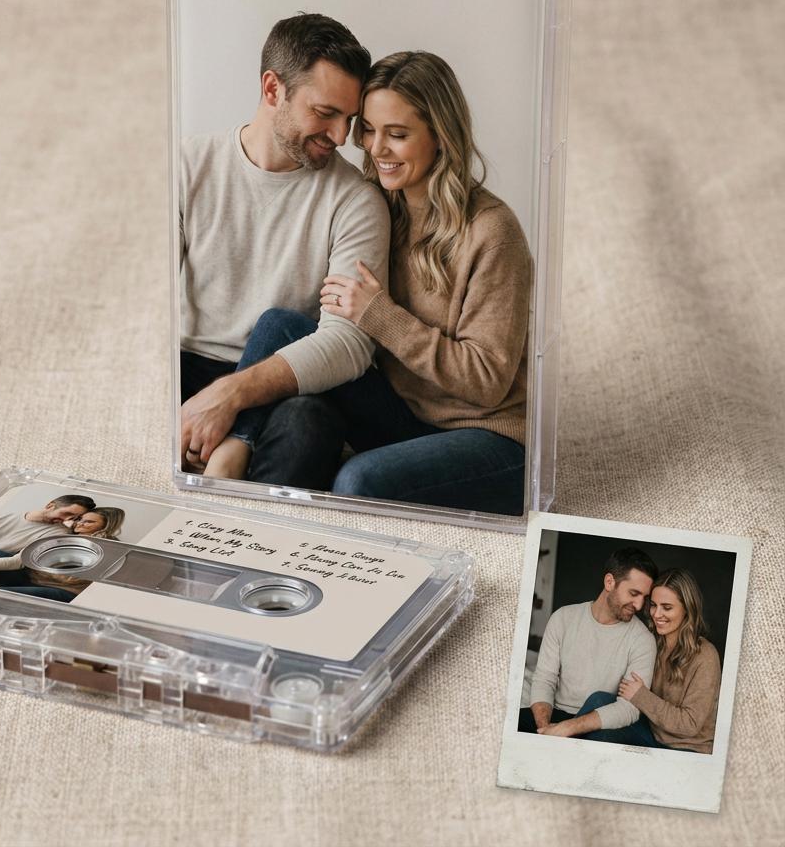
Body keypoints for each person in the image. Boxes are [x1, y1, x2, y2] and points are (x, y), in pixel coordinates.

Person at [203, 50, 531, 512]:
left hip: (487, 437)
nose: (376, 149)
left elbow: (487, 382)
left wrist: (381, 316)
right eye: (369, 130)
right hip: (404, 417)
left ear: (441, 136)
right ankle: (230, 455)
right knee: (281, 323)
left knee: (357, 479)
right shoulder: (378, 206)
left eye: (397, 134)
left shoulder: (493, 232)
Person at [178, 13, 390, 488]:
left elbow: (350, 343)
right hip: (186, 361)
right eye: (325, 113)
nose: (340, 137)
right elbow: (142, 306)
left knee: (309, 425)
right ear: (273, 89)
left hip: (284, 378)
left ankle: (234, 520)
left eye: (349, 119)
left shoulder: (356, 200)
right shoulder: (188, 165)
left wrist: (232, 396)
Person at [518, 547, 658, 738]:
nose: (640, 605)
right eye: (634, 593)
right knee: (513, 723)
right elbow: (544, 679)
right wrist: (546, 729)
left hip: (600, 722)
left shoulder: (643, 640)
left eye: (644, 597)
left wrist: (569, 728)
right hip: (556, 715)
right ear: (609, 582)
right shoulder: (562, 618)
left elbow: (629, 708)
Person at [611, 569, 722, 753]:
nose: (656, 614)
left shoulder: (706, 655)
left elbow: (690, 724)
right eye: (654, 605)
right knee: (600, 700)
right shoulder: (654, 641)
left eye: (667, 607)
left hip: (688, 749)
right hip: (652, 735)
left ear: (687, 609)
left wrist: (641, 695)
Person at [0, 508, 126, 602]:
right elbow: (16, 561)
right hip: (28, 578)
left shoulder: (108, 547)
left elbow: (71, 577)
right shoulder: (61, 535)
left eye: (88, 522)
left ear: (105, 527)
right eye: (80, 519)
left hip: (62, 592)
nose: (79, 523)